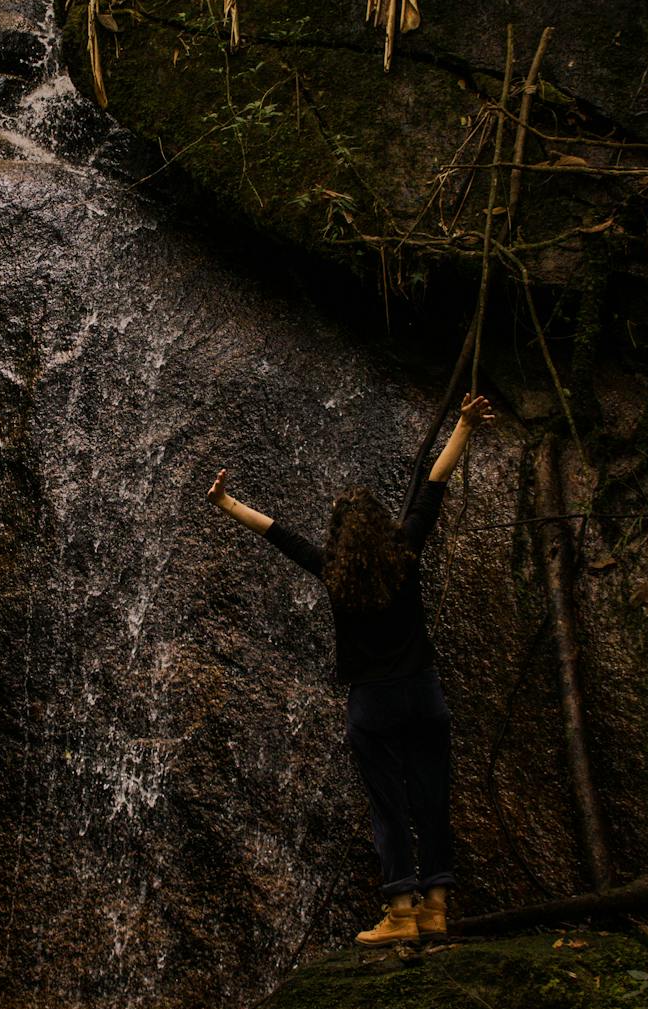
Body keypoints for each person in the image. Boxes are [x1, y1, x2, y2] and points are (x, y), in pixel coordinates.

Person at [205, 392, 494, 945]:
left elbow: (278, 532)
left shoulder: (332, 569)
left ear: (338, 536)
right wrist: (462, 424)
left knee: (388, 805)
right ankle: (436, 906)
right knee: (433, 795)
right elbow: (435, 485)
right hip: (423, 693)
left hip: (373, 703)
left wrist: (225, 502)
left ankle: (401, 911)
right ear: (382, 528)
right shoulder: (405, 552)